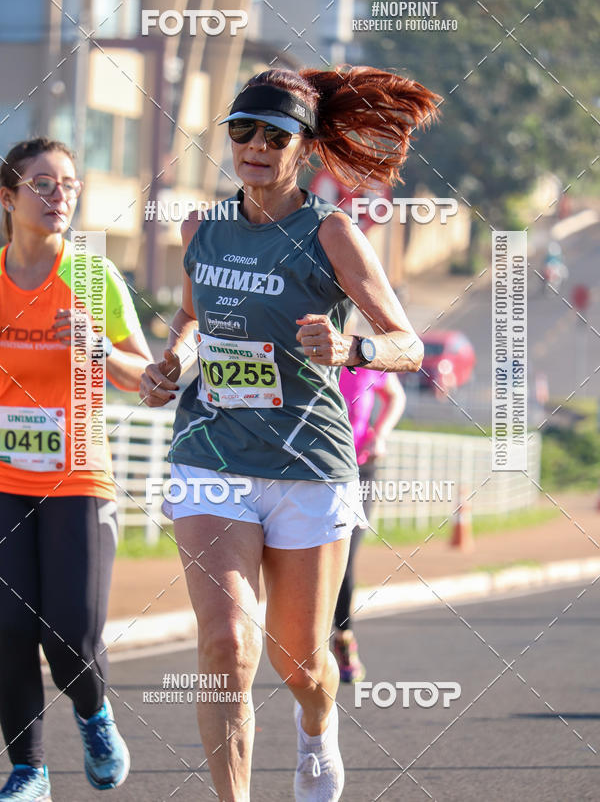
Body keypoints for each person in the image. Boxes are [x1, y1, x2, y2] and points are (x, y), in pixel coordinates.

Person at [140, 65, 439, 802]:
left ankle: (316, 728)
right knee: (225, 645)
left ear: (303, 148)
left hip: (307, 462)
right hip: (212, 453)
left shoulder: (329, 232)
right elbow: (191, 313)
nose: (256, 146)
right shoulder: (201, 228)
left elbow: (408, 344)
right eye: (243, 131)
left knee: (299, 662)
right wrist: (170, 359)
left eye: (275, 136)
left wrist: (351, 348)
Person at [0, 138, 152, 801]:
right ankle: (29, 769)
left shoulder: (92, 277)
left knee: (69, 635)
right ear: (7, 198)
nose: (58, 195)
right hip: (3, 480)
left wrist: (96, 349)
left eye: (68, 183)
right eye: (42, 183)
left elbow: (149, 378)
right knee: (7, 628)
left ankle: (93, 715)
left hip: (79, 477)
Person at [333, 363, 406, 682]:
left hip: (359, 469)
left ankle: (343, 637)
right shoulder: (309, 351)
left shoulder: (365, 355)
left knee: (345, 557)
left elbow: (396, 396)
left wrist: (380, 434)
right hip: (311, 469)